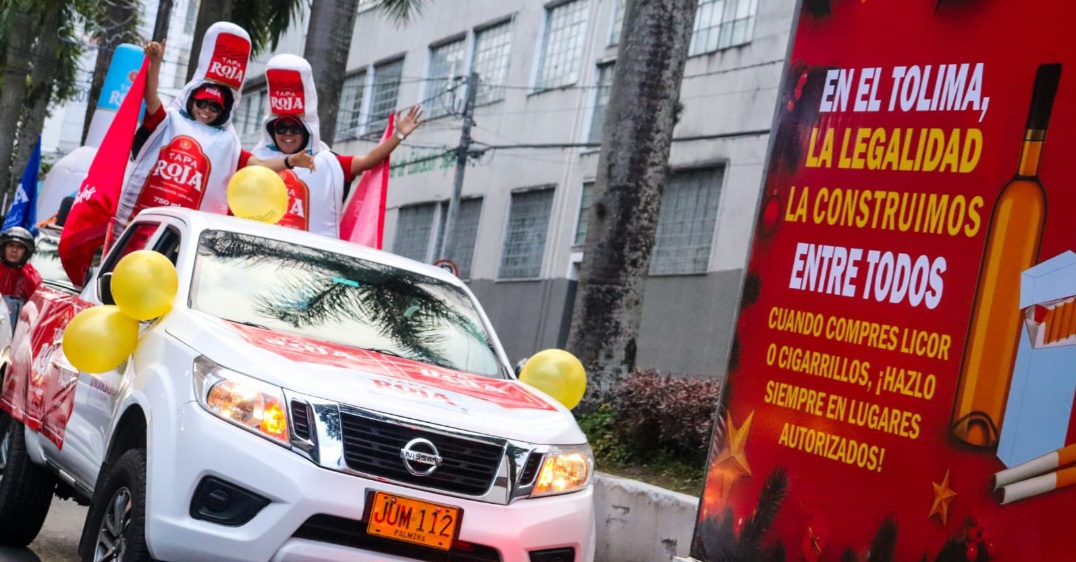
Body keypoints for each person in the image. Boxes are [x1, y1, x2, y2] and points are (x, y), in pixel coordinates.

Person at [114, 23, 300, 239]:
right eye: (202, 103)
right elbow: (150, 96)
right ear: (192, 100)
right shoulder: (169, 121)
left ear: (223, 111)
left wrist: (291, 161)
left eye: (214, 107)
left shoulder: (227, 143)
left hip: (183, 238)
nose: (206, 110)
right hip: (138, 224)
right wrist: (155, 62)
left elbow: (258, 165)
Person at [242, 54, 425, 237]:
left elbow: (368, 161)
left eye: (294, 129)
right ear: (272, 132)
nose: (288, 134)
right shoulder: (258, 160)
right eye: (281, 129)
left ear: (306, 131)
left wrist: (398, 135)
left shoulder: (328, 163)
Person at [0, 227, 42, 327]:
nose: (14, 250)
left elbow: (39, 308)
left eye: (20, 247)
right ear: (4, 247)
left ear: (26, 252)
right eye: (11, 245)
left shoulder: (31, 276)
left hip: (17, 330)